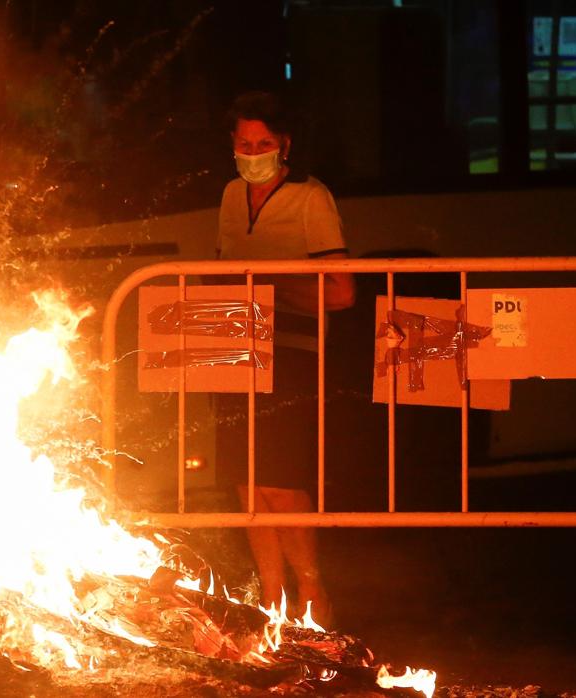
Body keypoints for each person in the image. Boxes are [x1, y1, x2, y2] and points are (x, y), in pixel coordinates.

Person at [214, 91, 355, 627]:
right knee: (248, 483)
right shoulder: (230, 195)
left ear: (285, 144)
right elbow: (223, 269)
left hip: (292, 353)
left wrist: (272, 290)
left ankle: (313, 592)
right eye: (245, 143)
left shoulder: (311, 197)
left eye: (264, 143)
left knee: (280, 479)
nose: (253, 152)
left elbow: (341, 292)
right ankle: (272, 598)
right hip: (232, 351)